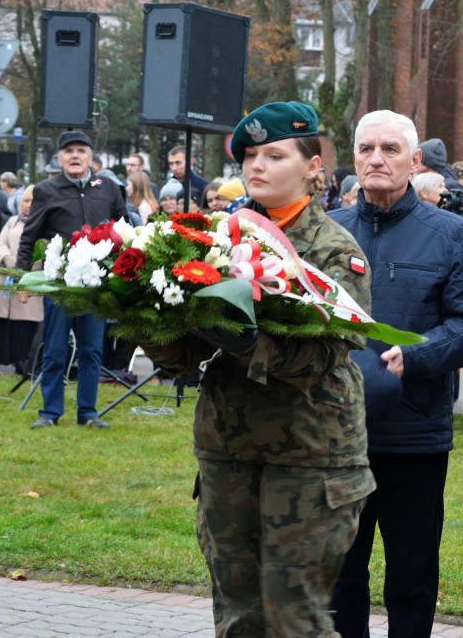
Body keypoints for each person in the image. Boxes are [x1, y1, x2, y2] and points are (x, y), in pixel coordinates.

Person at [137, 102, 375, 635]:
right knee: (238, 615)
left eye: (274, 154)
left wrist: (245, 341)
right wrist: (141, 316)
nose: (256, 165)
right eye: (248, 155)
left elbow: (324, 355)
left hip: (310, 454)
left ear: (314, 167)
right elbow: (181, 358)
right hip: (228, 447)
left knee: (295, 618)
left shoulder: (337, 251)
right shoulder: (211, 239)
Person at [329, 110, 463, 637]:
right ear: (353, 159)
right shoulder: (328, 231)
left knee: (412, 580)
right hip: (334, 438)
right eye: (366, 148)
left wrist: (415, 355)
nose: (377, 158)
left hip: (414, 438)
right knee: (339, 579)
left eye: (391, 149)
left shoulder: (451, 234)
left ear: (415, 161)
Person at [16, 131, 127, 430]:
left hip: (96, 283)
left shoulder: (109, 188)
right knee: (54, 349)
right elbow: (30, 237)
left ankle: (88, 412)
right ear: (60, 158)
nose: (75, 156)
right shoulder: (46, 190)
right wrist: (22, 280)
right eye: (68, 151)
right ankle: (49, 413)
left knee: (92, 349)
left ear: (91, 157)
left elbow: (125, 228)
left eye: (81, 151)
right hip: (60, 284)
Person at [0, 185, 42, 372]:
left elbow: (43, 251)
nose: (29, 205)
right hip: (7, 278)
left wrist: (24, 266)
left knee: (25, 324)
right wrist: (8, 259)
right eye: (26, 201)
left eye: (33, 201)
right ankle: (7, 360)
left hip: (29, 280)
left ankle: (24, 362)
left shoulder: (43, 223)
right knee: (6, 322)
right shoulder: (12, 221)